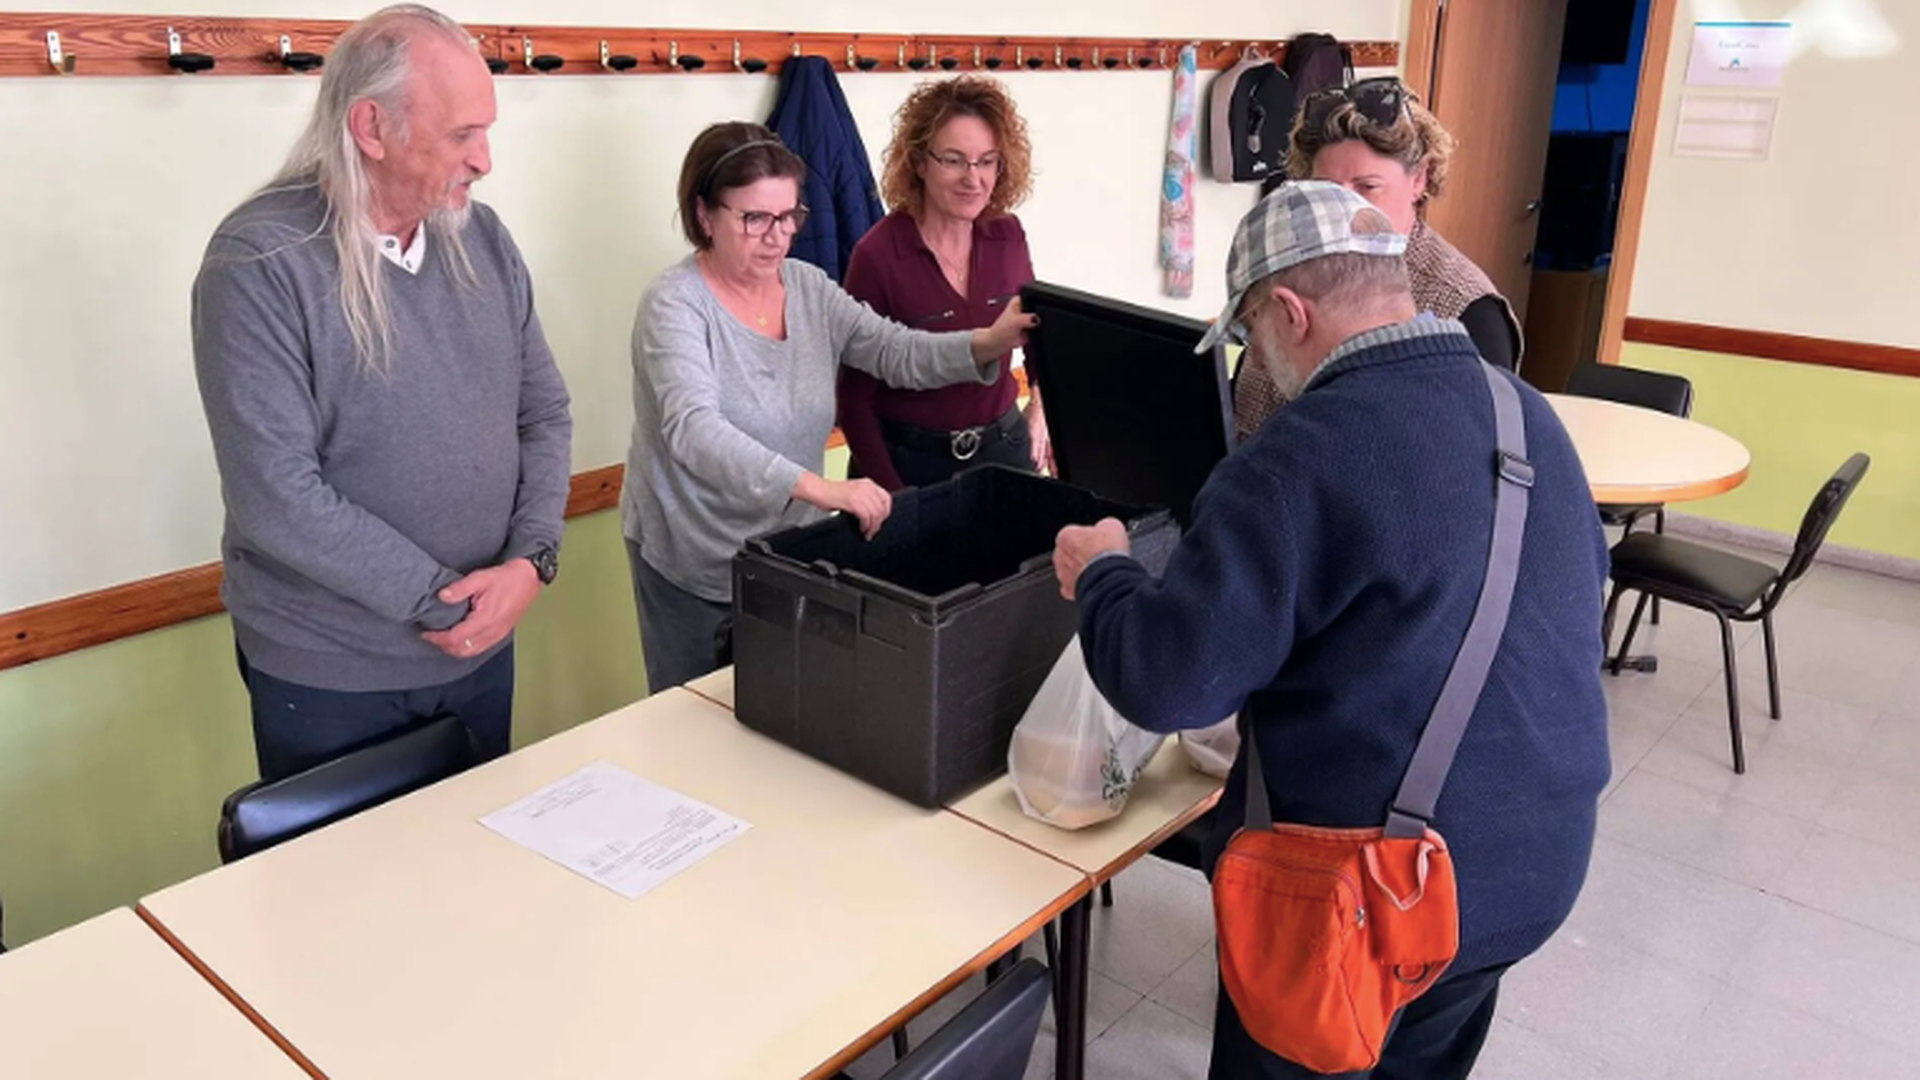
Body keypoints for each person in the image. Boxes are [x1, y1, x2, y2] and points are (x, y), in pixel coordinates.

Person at [1051, 181, 1609, 1079]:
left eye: (1250, 337)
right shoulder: (1523, 410)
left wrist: (1106, 570)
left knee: (1306, 1048)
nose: (1257, 362)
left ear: (1289, 311)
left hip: (1363, 896)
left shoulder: (1294, 459)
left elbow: (1167, 682)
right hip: (1531, 869)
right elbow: (1569, 593)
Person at [191, 4, 572, 783]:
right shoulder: (262, 262)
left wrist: (532, 562)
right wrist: (450, 604)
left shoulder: (484, 239)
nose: (485, 160)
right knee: (351, 899)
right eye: (463, 135)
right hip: (333, 674)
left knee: (471, 877)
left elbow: (545, 413)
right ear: (372, 127)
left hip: (482, 646)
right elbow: (277, 497)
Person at [624, 122, 1035, 693]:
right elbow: (694, 431)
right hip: (693, 554)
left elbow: (893, 349)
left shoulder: (809, 287)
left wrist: (988, 342)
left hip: (786, 548)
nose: (776, 237)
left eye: (789, 216)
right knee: (695, 722)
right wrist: (824, 490)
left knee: (789, 709)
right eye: (754, 219)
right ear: (704, 216)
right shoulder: (674, 305)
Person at [1236, 77, 1522, 442]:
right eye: (1327, 189)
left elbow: (1477, 459)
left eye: (1367, 187)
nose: (1345, 207)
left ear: (1420, 179)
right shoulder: (1284, 270)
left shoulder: (1469, 308)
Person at [837, 75, 1045, 490]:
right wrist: (894, 498)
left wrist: (1040, 410)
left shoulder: (1008, 234)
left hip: (1002, 450)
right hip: (907, 464)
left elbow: (1039, 334)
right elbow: (853, 400)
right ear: (918, 162)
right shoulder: (876, 255)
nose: (974, 178)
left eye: (987, 160)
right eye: (954, 160)